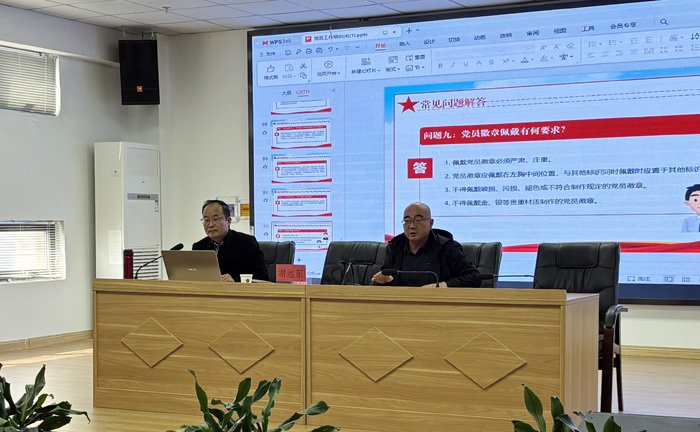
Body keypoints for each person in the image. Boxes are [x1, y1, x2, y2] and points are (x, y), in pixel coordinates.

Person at [371, 202, 479, 287]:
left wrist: (444, 285)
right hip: (401, 304)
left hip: (436, 304)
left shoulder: (447, 247)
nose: (412, 226)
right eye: (407, 221)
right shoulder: (395, 248)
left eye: (418, 220)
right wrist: (381, 281)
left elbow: (474, 277)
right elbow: (384, 277)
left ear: (430, 223)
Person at [192, 199, 269, 282]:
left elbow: (262, 276)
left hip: (239, 289)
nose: (210, 225)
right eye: (206, 220)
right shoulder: (199, 247)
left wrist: (235, 280)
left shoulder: (247, 242)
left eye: (216, 219)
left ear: (228, 221)